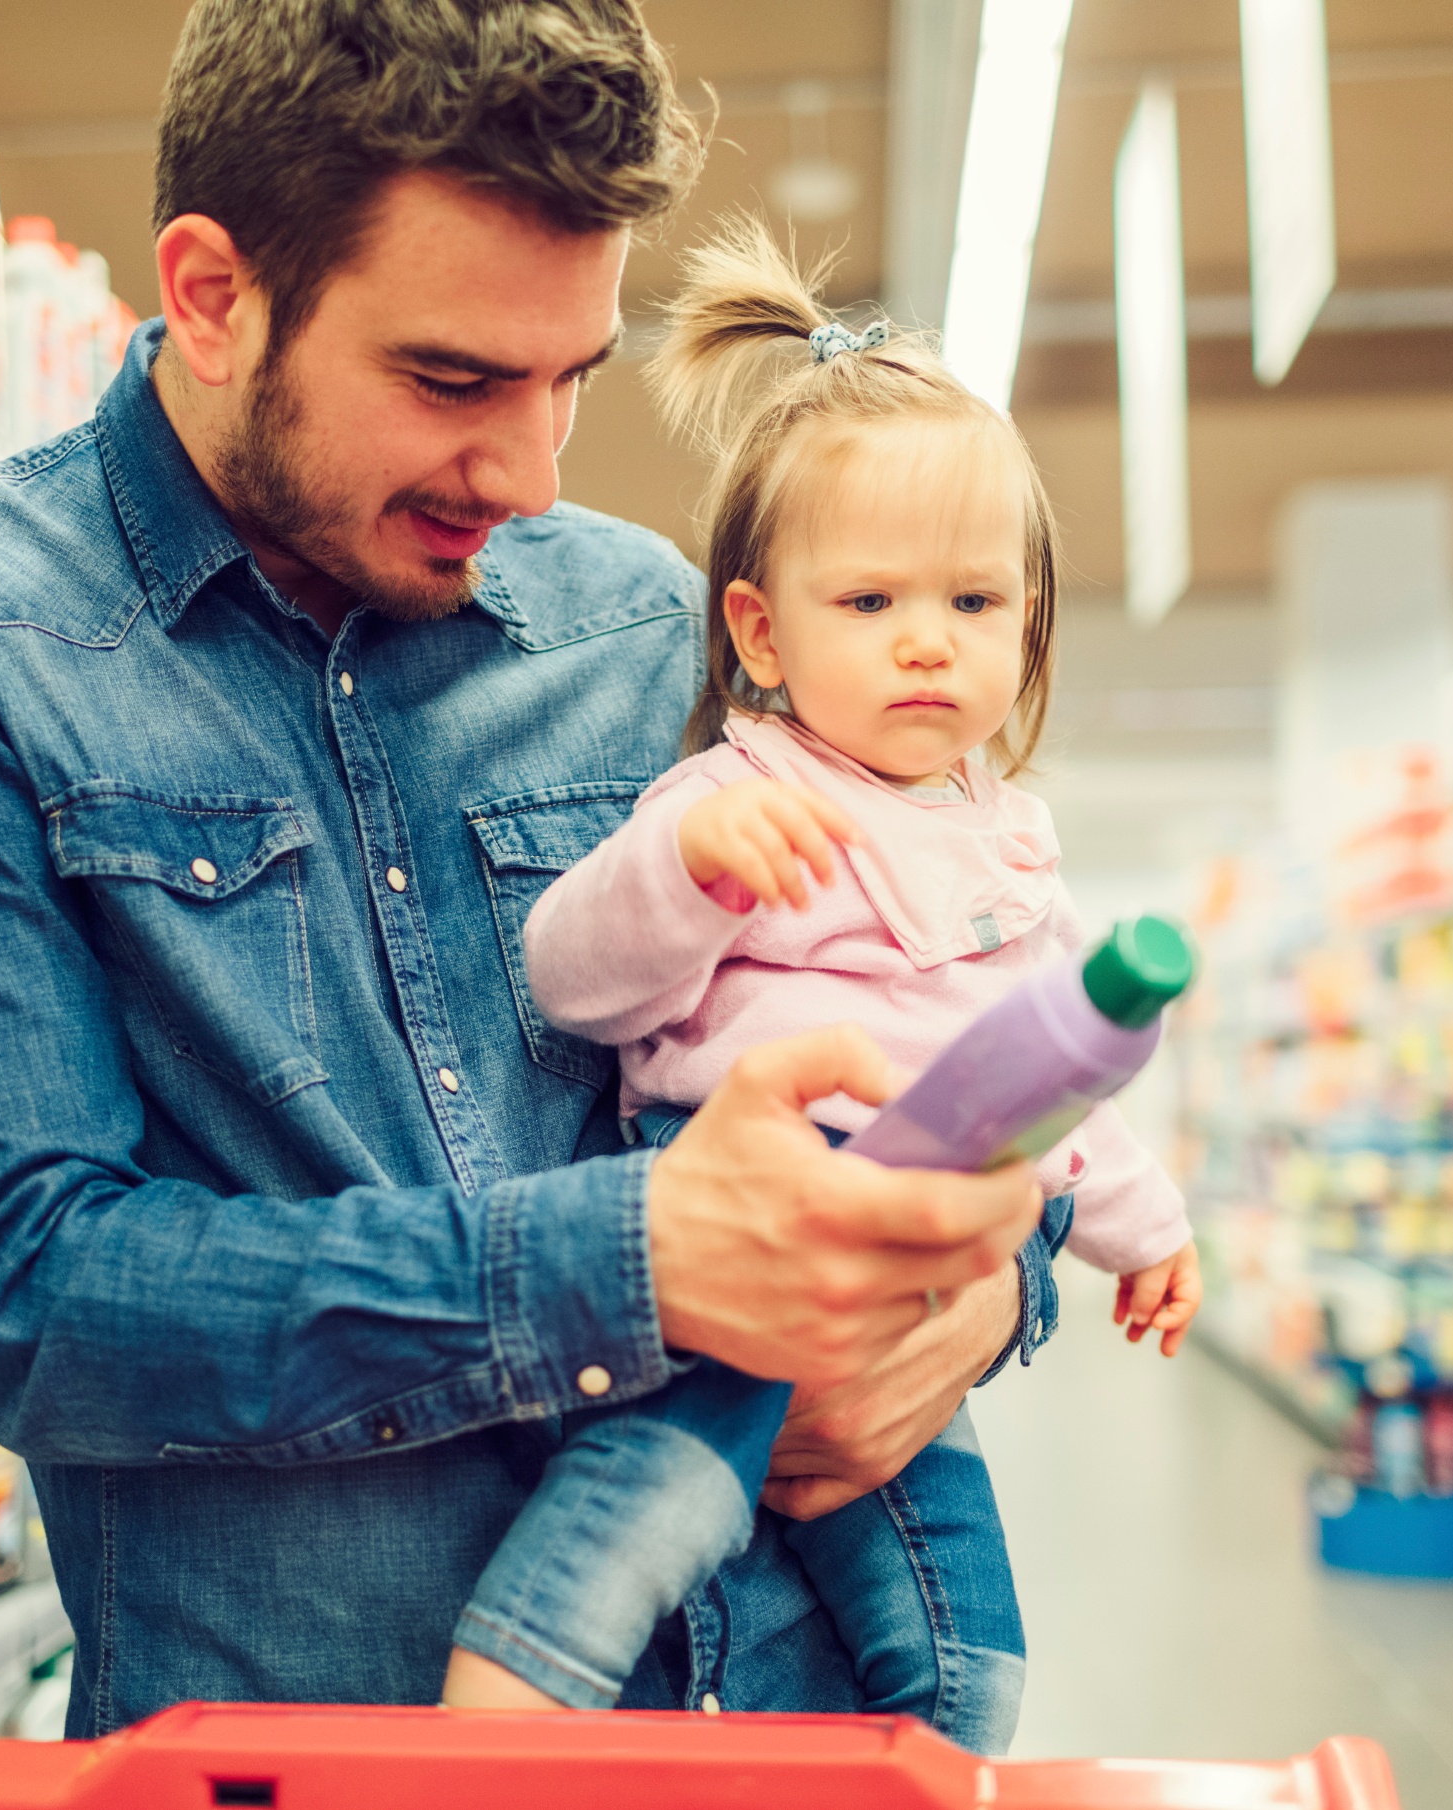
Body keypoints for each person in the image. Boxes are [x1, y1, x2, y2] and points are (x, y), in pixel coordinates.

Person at [0, 0, 1063, 1733]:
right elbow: (28, 1289)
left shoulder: (645, 623)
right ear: (215, 295)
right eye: (454, 381)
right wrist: (631, 1259)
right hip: (321, 1750)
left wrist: (989, 1282)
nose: (532, 475)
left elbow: (949, 990)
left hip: (779, 1725)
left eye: (572, 383)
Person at [435, 224, 1203, 1753]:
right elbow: (571, 978)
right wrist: (692, 873)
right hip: (743, 1208)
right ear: (761, 633)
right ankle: (495, 1721)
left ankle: (940, 1765)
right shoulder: (736, 793)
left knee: (965, 1635)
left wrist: (1146, 1227)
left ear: (1027, 626)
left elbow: (1052, 1068)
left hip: (925, 1247)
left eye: (977, 606)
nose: (930, 642)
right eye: (870, 606)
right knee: (651, 1501)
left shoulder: (1004, 844)